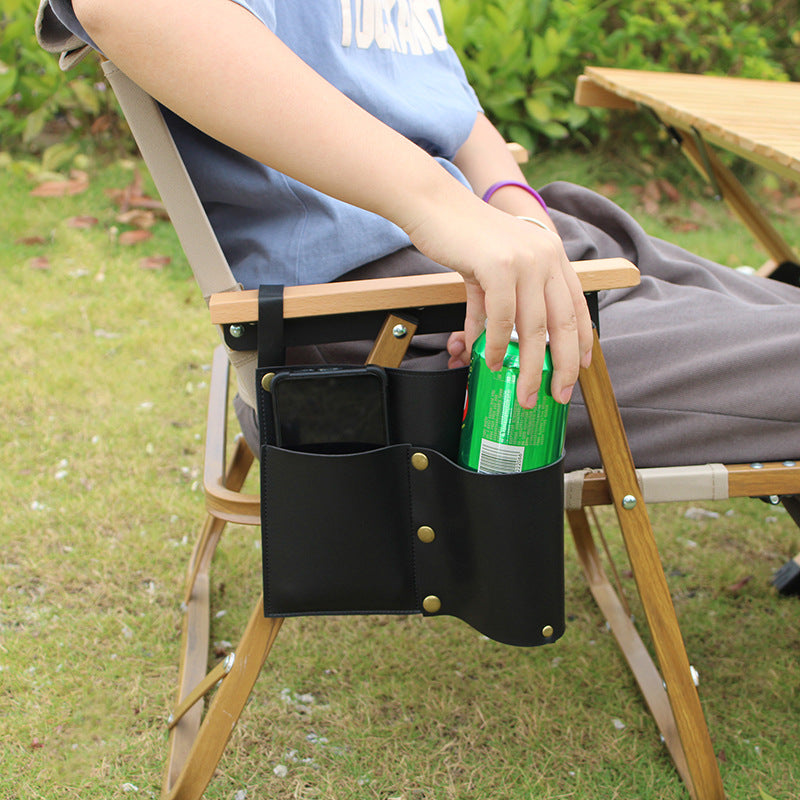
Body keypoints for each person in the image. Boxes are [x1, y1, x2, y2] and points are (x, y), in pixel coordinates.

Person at [36, 0, 800, 471]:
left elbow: (452, 110)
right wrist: (443, 210)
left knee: (779, 304)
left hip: (516, 246)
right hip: (393, 319)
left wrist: (515, 205)